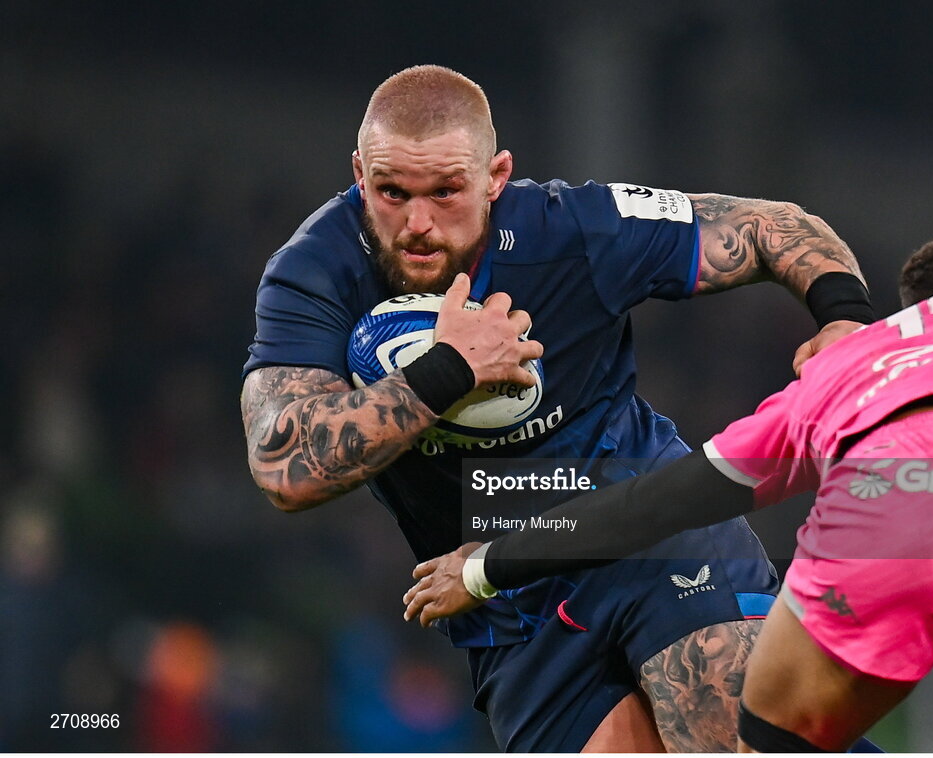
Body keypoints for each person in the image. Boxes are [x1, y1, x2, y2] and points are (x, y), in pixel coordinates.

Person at [241, 64, 874, 752]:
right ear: (360, 173)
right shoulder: (314, 272)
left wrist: (842, 316)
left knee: (729, 732)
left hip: (644, 525)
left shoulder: (573, 229)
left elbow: (768, 226)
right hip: (503, 602)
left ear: (497, 175)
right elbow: (285, 470)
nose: (418, 224)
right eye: (392, 192)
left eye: (447, 191)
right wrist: (450, 371)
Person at [403, 232, 933, 751]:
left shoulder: (849, 368)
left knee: (765, 735)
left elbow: (662, 500)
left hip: (882, 510)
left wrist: (486, 566)